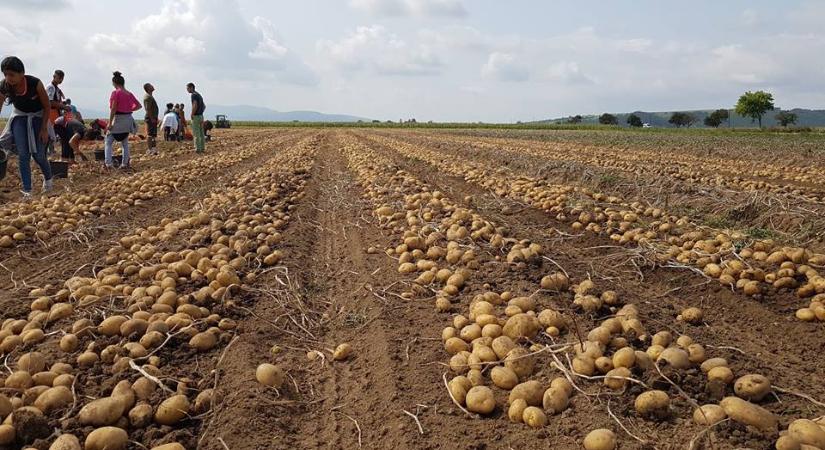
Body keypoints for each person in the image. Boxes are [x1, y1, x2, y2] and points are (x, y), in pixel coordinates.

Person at [0, 56, 54, 198]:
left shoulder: (34, 83)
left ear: (22, 73)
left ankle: (48, 179)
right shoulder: (4, 85)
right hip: (19, 116)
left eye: (12, 74)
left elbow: (47, 106)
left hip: (38, 116)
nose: (8, 77)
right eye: (5, 74)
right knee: (23, 154)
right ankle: (27, 190)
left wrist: (44, 129)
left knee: (39, 155)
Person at [105, 71, 141, 169]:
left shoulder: (116, 93)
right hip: (128, 119)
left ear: (114, 83)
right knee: (124, 143)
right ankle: (125, 164)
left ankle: (108, 164)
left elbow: (113, 109)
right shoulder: (129, 94)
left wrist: (110, 123)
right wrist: (129, 110)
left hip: (118, 119)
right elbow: (139, 106)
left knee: (108, 141)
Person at [187, 82, 206, 153]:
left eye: (188, 88)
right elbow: (204, 106)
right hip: (201, 116)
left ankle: (197, 148)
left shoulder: (193, 95)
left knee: (196, 133)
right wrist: (200, 112)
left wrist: (192, 113)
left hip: (196, 116)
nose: (187, 90)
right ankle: (202, 148)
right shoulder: (199, 95)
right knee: (201, 132)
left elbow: (195, 105)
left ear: (191, 87)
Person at [142, 83, 159, 155]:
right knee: (150, 134)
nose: (153, 86)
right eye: (151, 85)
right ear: (148, 88)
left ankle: (154, 149)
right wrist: (152, 118)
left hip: (153, 117)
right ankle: (150, 149)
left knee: (153, 134)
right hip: (150, 118)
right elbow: (147, 109)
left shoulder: (150, 96)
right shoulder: (147, 97)